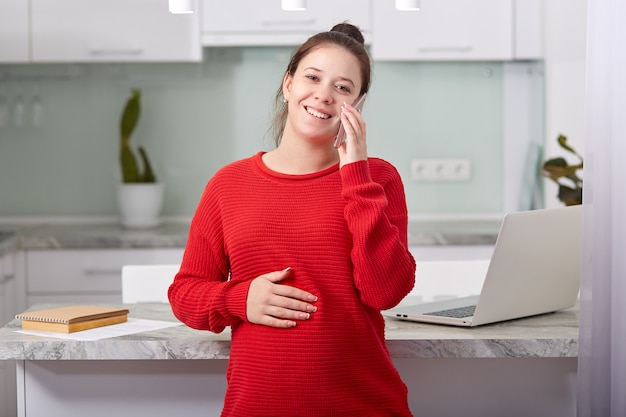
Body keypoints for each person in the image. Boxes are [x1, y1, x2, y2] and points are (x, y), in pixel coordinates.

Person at [168, 22, 416, 417]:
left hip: (364, 405)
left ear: (358, 103)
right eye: (313, 77)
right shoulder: (228, 184)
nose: (324, 94)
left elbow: (385, 291)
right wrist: (239, 298)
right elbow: (185, 293)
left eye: (343, 87)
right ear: (288, 84)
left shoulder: (378, 179)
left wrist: (355, 173)